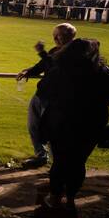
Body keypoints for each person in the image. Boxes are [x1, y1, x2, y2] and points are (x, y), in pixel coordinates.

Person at [39, 38, 109, 212]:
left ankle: (55, 196)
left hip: (62, 121)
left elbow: (43, 91)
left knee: (60, 160)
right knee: (78, 161)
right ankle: (70, 196)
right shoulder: (104, 71)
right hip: (92, 123)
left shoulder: (60, 70)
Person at [15, 23, 76, 168]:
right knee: (33, 126)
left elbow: (56, 67)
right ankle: (41, 155)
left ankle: (57, 166)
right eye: (54, 35)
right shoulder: (55, 50)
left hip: (56, 100)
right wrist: (29, 71)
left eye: (58, 35)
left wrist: (42, 52)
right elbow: (44, 65)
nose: (55, 38)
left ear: (68, 36)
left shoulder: (74, 53)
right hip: (41, 95)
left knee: (52, 132)